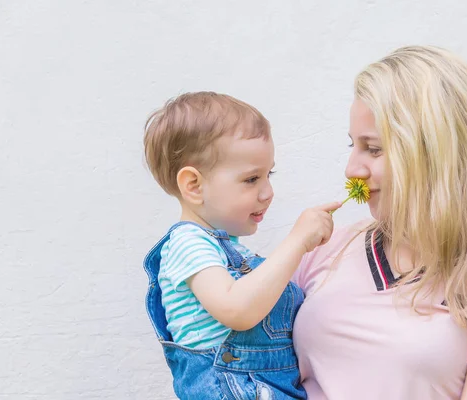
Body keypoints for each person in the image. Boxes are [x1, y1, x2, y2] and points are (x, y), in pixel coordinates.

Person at [292, 46, 467, 400]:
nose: (352, 169)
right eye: (353, 145)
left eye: (374, 149)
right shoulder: (324, 246)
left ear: (434, 152)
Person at [142, 91, 340, 399]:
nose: (267, 192)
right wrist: (297, 242)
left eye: (268, 174)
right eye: (251, 179)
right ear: (194, 186)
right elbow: (237, 309)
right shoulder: (187, 243)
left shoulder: (229, 251)